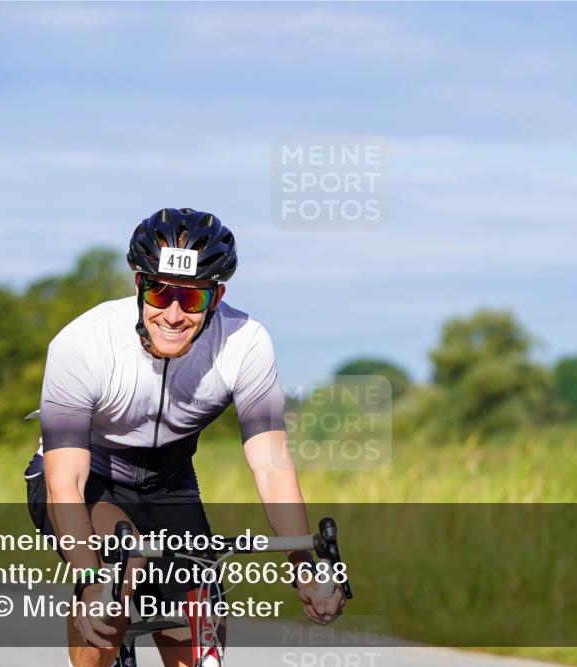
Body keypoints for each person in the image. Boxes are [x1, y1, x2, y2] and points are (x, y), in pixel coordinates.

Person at [23, 208, 345, 667]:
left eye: (191, 299)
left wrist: (303, 564)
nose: (173, 315)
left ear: (216, 297)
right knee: (119, 568)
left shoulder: (245, 343)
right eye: (160, 293)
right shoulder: (83, 345)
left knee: (199, 632)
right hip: (87, 476)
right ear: (140, 286)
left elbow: (272, 466)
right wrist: (90, 581)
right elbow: (65, 485)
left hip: (169, 483)